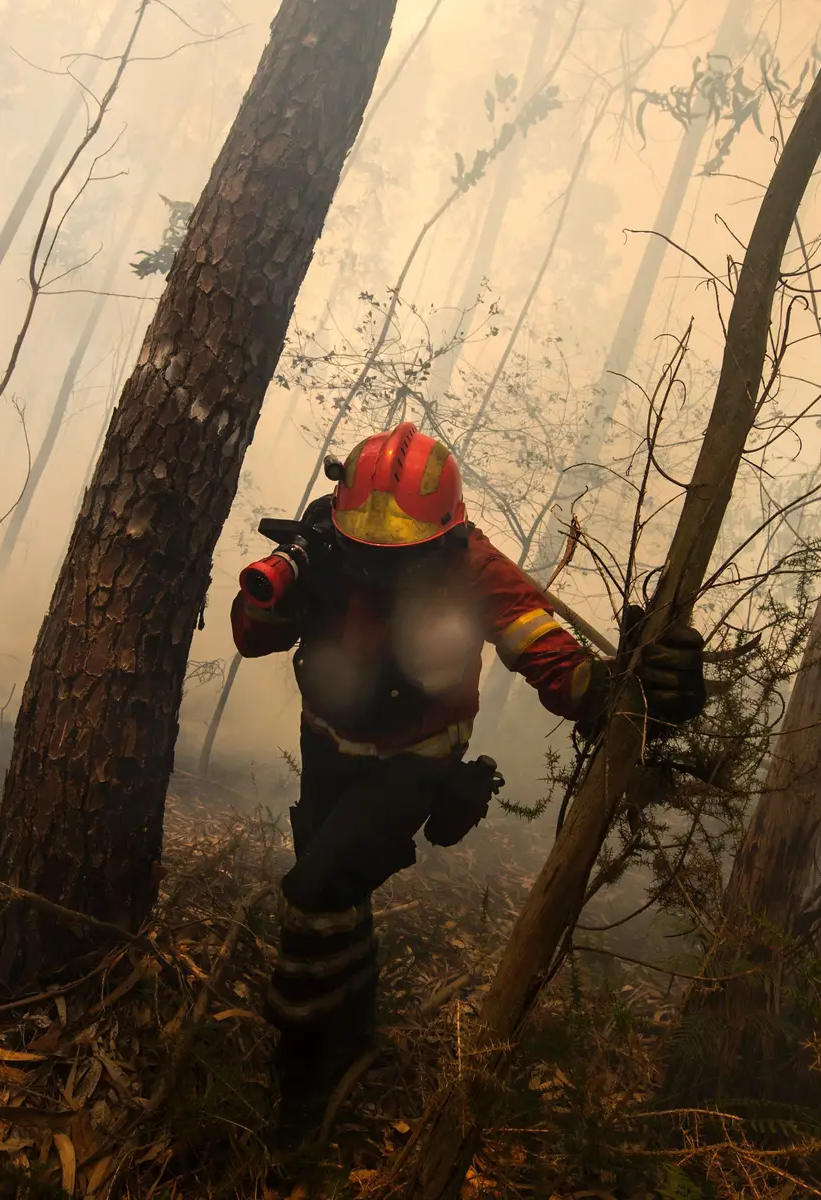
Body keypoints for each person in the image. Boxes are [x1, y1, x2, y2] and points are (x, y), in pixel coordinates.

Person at [229, 422, 707, 1148]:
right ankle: (356, 1030)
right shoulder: (321, 541)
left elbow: (564, 669)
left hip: (416, 759)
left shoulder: (473, 567)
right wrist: (270, 604)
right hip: (327, 743)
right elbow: (251, 632)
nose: (380, 565)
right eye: (367, 545)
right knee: (336, 890)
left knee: (313, 892)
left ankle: (302, 1081)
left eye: (403, 551)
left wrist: (640, 683)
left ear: (442, 534)